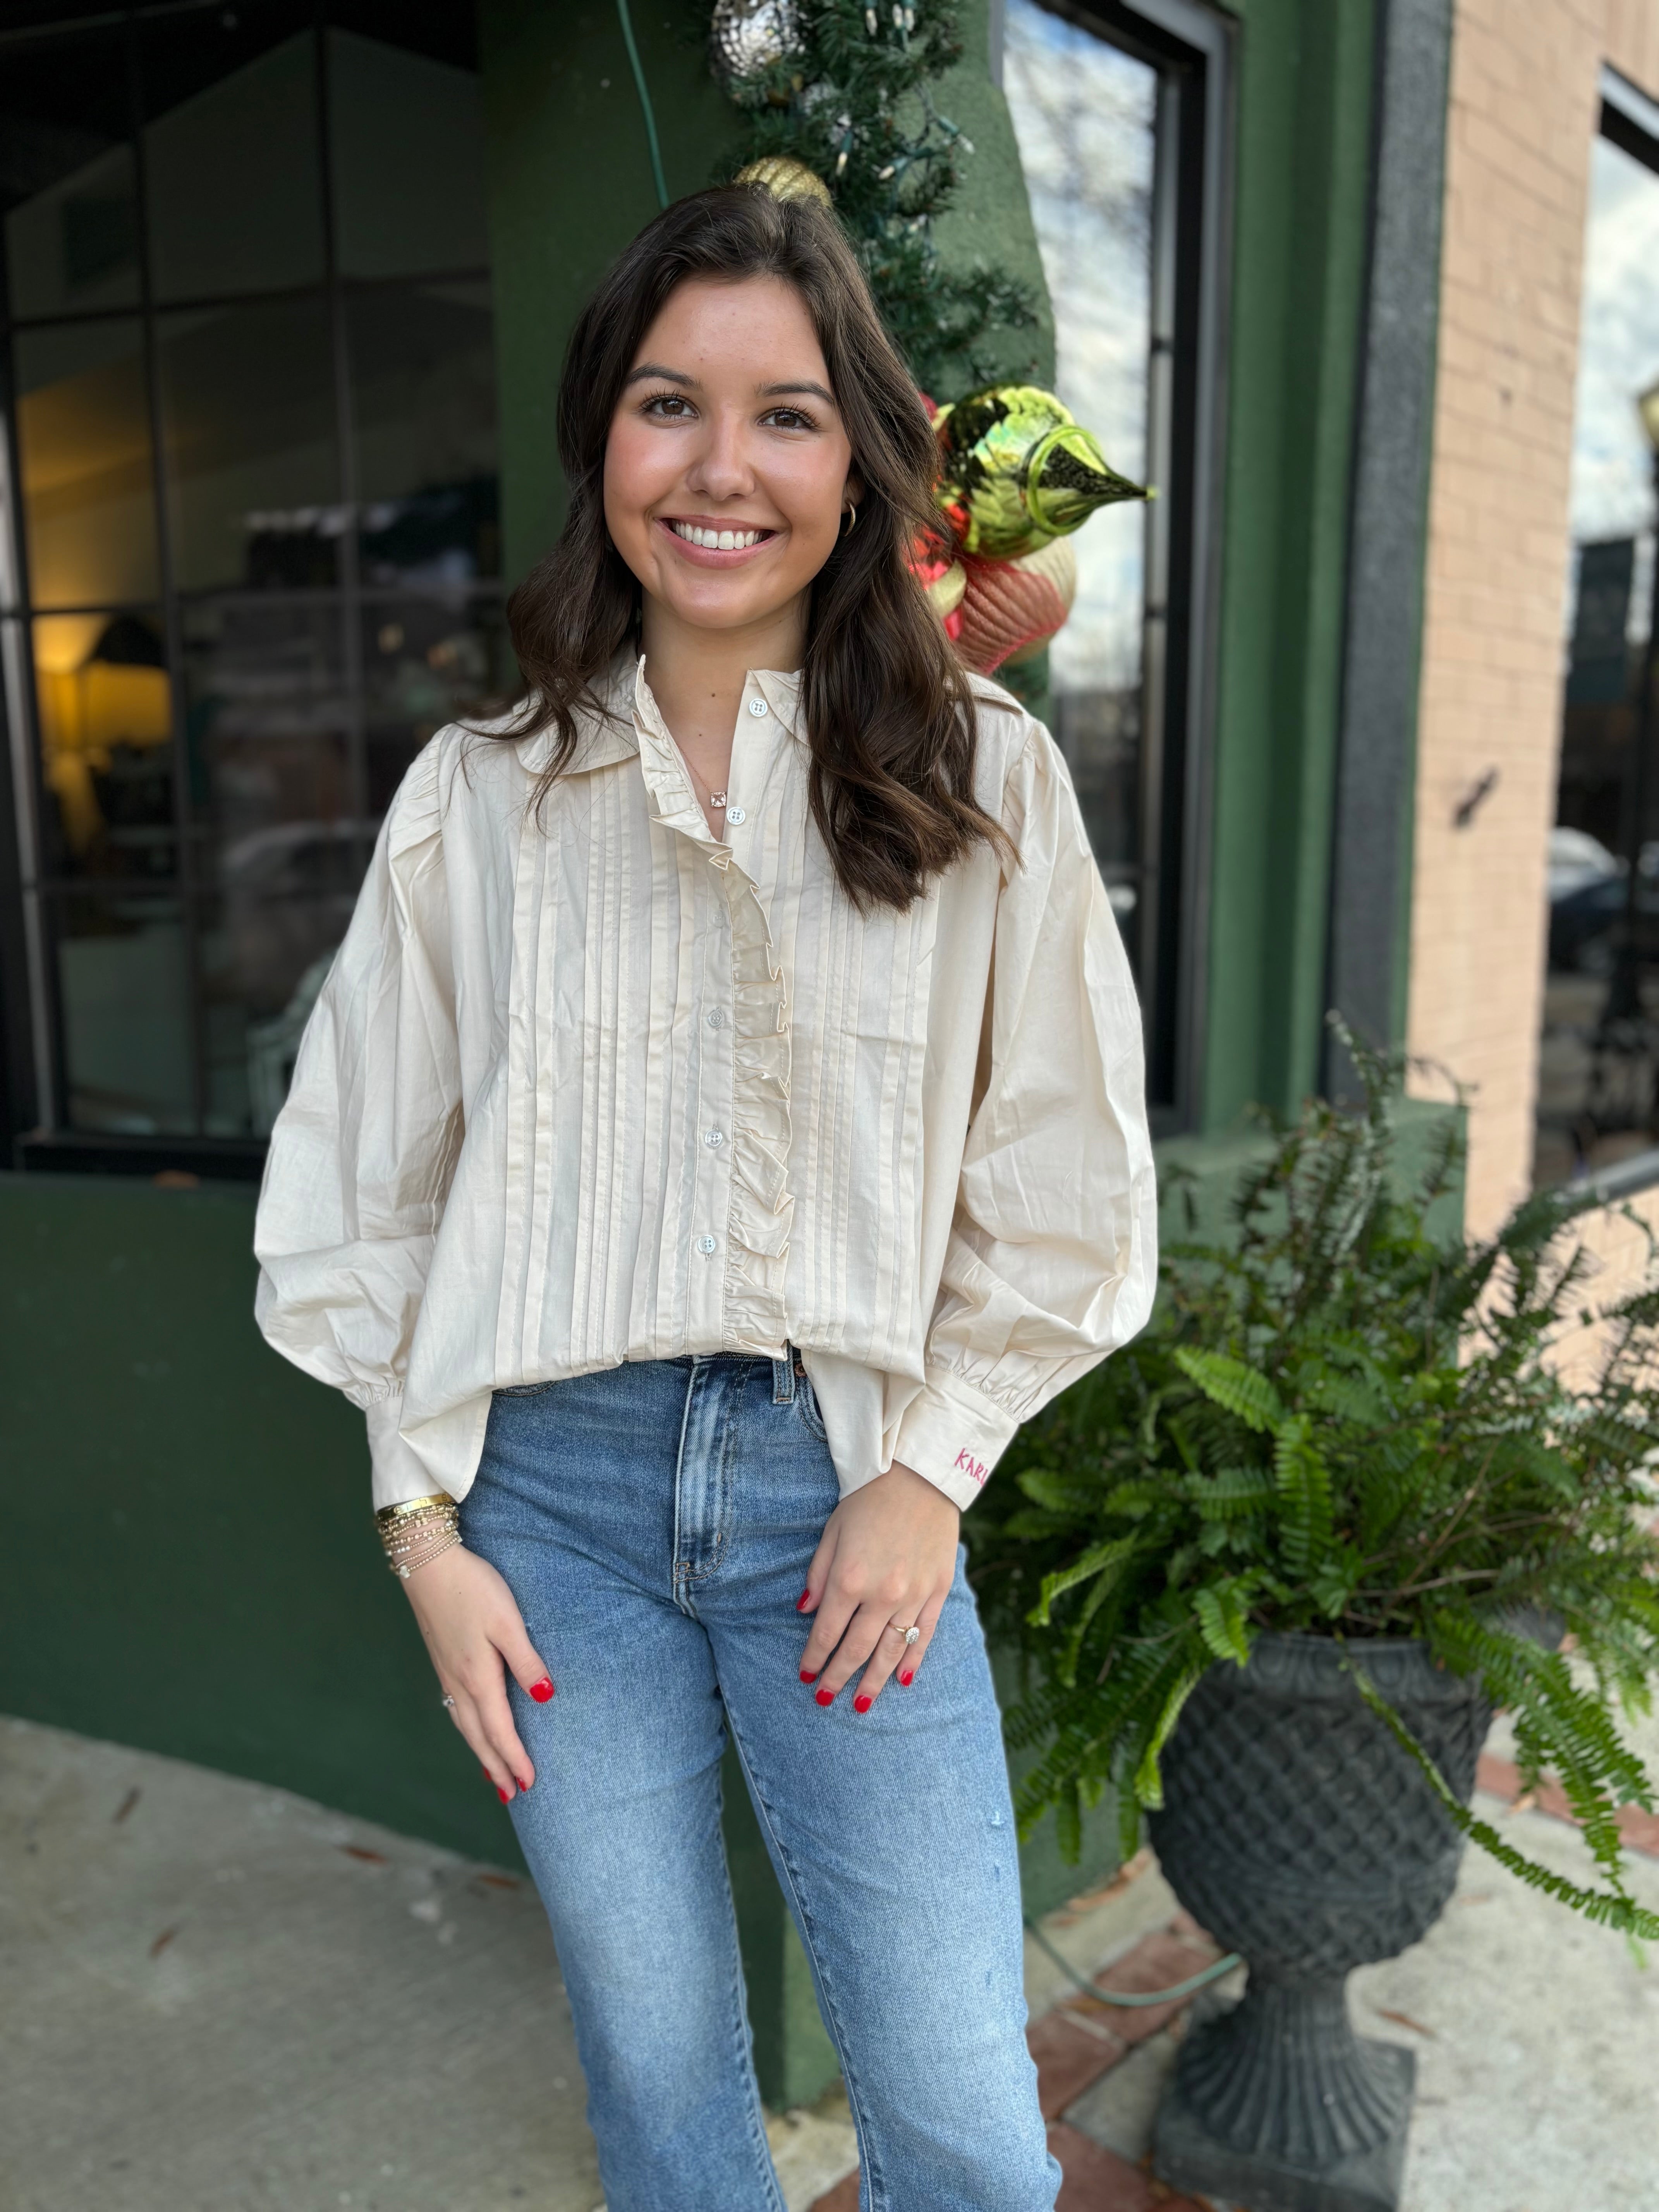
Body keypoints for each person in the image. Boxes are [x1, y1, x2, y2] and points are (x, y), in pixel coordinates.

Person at [253, 183, 1156, 2212]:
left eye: (789, 414)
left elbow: (1064, 1184)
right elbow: (357, 1198)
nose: (724, 467)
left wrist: (933, 1471)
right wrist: (424, 1531)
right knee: (664, 2106)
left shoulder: (981, 778)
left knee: (970, 2143)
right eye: (673, 405)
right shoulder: (481, 798)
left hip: (846, 1497)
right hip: (549, 1521)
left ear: (860, 463)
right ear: (604, 440)